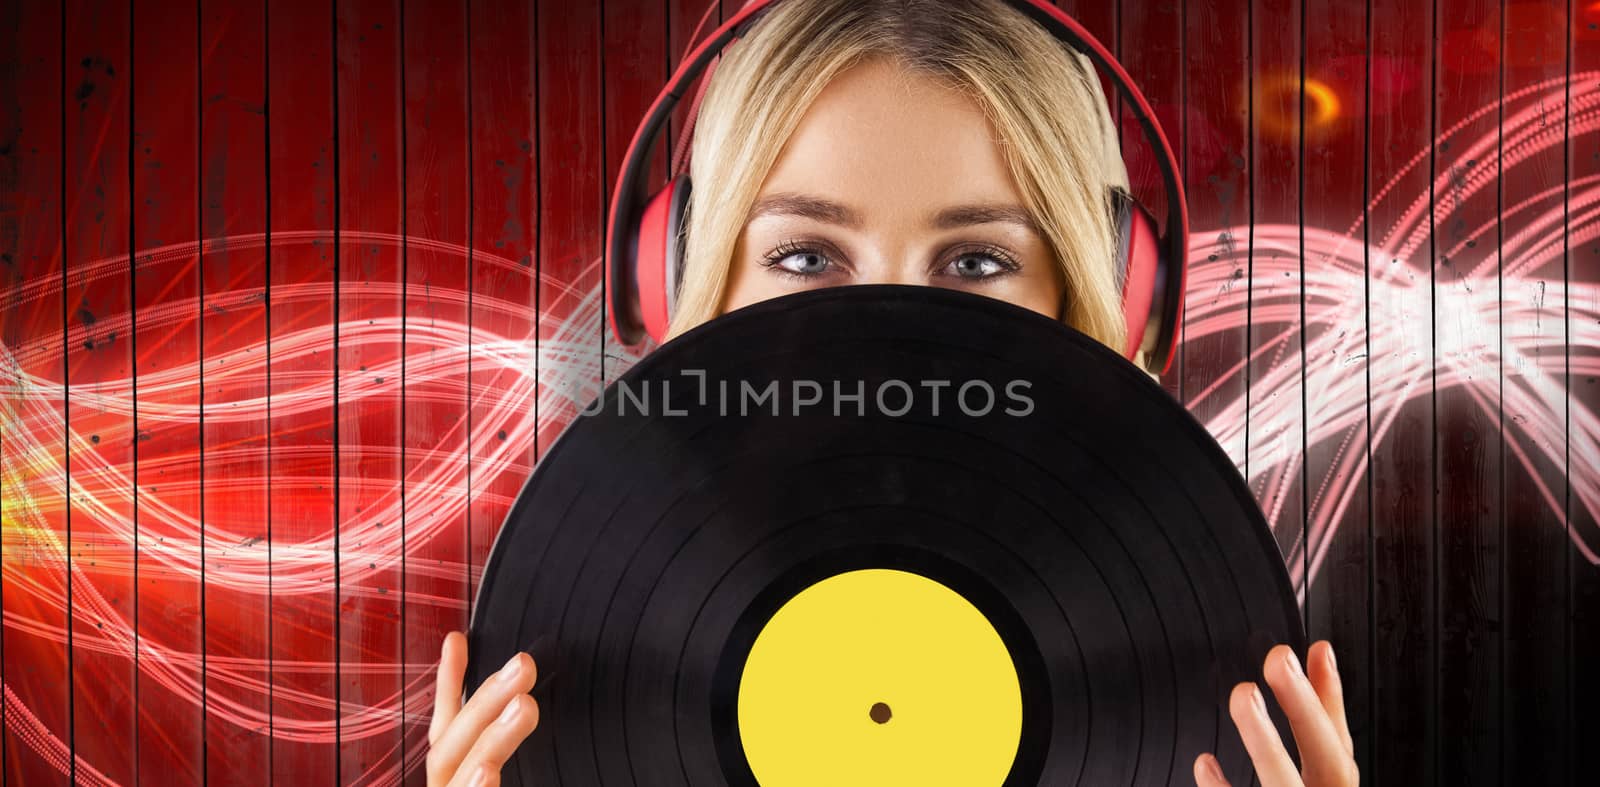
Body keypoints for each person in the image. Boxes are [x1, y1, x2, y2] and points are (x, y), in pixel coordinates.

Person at [425, 1, 1359, 785]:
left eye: (976, 260)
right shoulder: (603, 651)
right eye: (805, 256)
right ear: (687, 280)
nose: (891, 328)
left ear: (1104, 292)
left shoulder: (1174, 653)